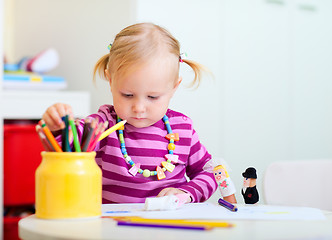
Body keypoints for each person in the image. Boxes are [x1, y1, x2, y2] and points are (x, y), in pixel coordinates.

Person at [42, 22, 218, 204]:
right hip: (113, 228)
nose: (139, 107)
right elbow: (65, 149)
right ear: (110, 81)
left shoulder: (182, 129)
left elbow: (211, 172)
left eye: (152, 97)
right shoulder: (103, 125)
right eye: (127, 95)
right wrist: (58, 127)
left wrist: (186, 193)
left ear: (174, 88)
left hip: (170, 226)